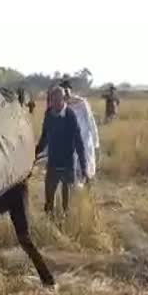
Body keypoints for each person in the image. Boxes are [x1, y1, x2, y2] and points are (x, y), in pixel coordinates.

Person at [35, 85, 87, 216]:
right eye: (53, 100)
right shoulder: (48, 114)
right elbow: (45, 137)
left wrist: (84, 166)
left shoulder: (70, 115)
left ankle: (65, 222)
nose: (55, 104)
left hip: (68, 163)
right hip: (53, 161)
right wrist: (34, 153)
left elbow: (79, 142)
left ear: (63, 100)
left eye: (58, 100)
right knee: (49, 199)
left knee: (66, 201)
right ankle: (49, 224)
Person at [66, 92, 100, 186]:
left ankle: (86, 186)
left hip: (84, 139)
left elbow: (91, 122)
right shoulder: (62, 105)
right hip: (70, 140)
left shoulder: (82, 103)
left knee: (86, 165)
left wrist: (95, 141)